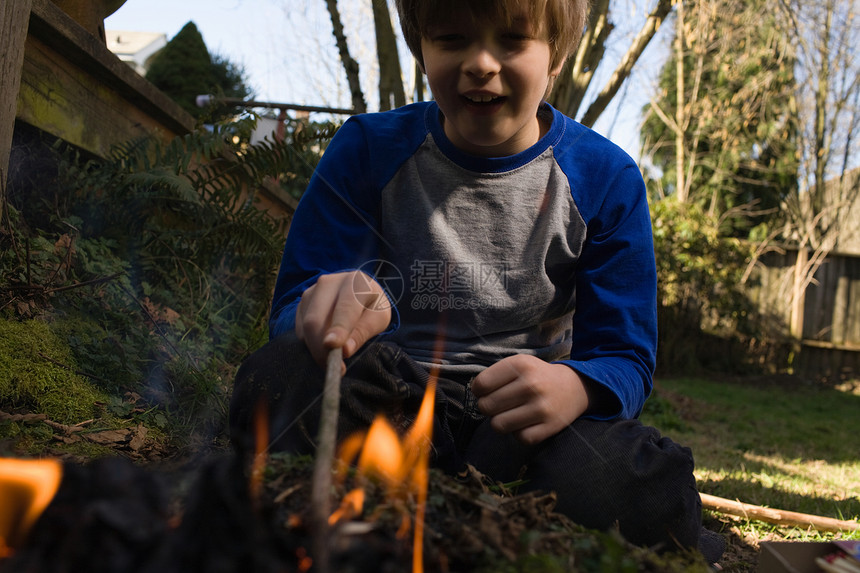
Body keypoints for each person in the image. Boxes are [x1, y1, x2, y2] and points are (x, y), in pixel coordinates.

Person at [230, 0, 723, 563]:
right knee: (282, 377)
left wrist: (577, 386)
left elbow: (626, 356)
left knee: (628, 480)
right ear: (421, 48)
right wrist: (326, 309)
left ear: (555, 58)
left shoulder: (605, 179)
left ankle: (472, 527)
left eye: (513, 40)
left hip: (525, 430)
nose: (481, 62)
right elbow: (294, 308)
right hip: (387, 410)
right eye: (451, 39)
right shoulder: (367, 150)